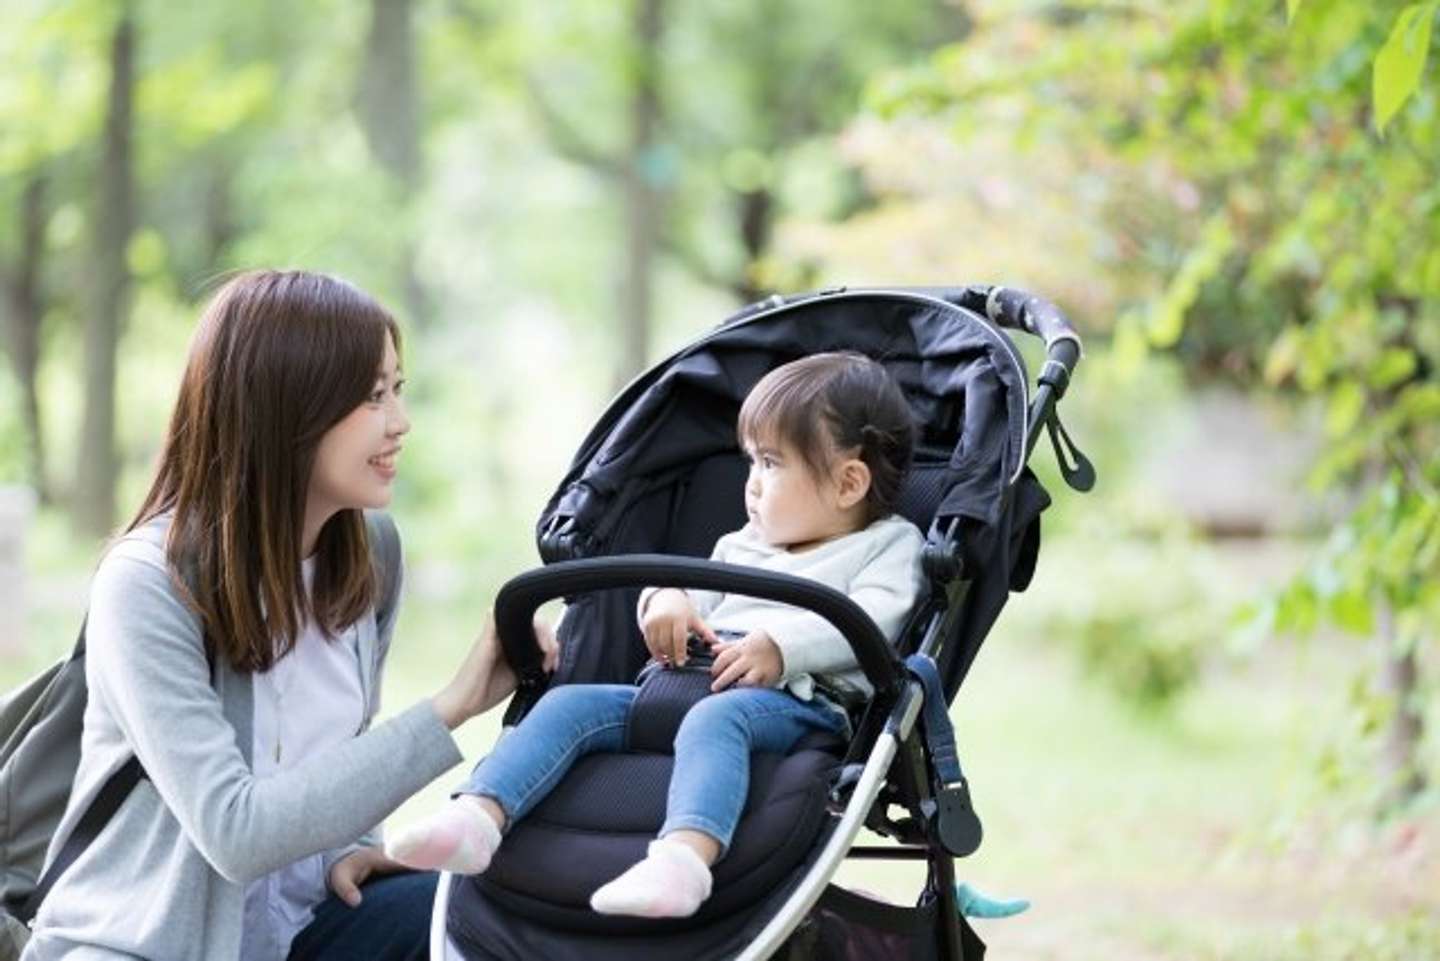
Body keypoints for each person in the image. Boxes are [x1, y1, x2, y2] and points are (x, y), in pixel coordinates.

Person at [22, 270, 554, 961]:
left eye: (398, 389)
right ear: (288, 406)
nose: (400, 421)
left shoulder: (370, 553)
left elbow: (334, 750)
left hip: (301, 929)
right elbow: (236, 831)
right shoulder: (147, 584)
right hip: (143, 947)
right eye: (372, 396)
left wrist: (357, 847)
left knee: (480, 915)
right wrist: (451, 706)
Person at [386, 351, 926, 920]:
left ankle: (682, 860)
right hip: (680, 684)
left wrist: (781, 647)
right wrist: (664, 601)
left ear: (848, 483)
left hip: (796, 702)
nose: (751, 484)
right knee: (568, 705)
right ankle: (477, 816)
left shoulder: (888, 547)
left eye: (770, 463)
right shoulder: (742, 546)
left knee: (718, 719)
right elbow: (694, 595)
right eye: (749, 462)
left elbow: (874, 621)